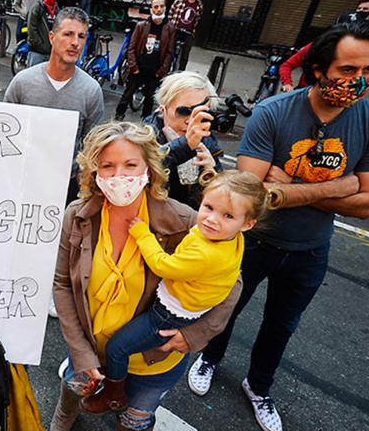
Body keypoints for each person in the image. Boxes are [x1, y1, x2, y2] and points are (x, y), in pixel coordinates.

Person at [187, 22, 369, 431]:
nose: (359, 81)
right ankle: (210, 358)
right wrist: (342, 185)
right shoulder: (274, 113)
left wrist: (287, 189)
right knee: (226, 309)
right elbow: (250, 193)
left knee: (282, 325)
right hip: (254, 241)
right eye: (349, 70)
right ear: (318, 69)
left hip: (310, 249)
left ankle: (259, 386)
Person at [51, 121, 241, 431]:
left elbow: (232, 285)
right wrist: (81, 350)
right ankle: (65, 414)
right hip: (91, 344)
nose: (118, 176)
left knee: (136, 417)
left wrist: (195, 335)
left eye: (130, 165)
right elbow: (61, 285)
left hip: (152, 358)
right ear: (93, 172)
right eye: (107, 166)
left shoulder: (184, 222)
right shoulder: (79, 215)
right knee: (77, 382)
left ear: (149, 169)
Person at [81, 170, 267, 414]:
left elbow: (162, 266)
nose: (212, 219)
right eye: (208, 207)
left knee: (117, 348)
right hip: (186, 306)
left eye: (227, 215)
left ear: (247, 223)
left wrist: (142, 233)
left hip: (168, 315)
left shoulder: (206, 253)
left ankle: (112, 394)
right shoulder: (230, 237)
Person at [6, 6, 104, 205]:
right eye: (68, 34)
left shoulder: (91, 91)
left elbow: (92, 149)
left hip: (66, 189)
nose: (75, 42)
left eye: (81, 36)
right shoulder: (22, 82)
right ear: (52, 37)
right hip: (22, 182)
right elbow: (4, 133)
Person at [145, 71, 223, 209]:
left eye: (199, 113)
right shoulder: (144, 136)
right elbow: (144, 171)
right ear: (163, 108)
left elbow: (220, 203)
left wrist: (212, 174)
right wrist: (185, 145)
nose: (190, 120)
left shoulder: (207, 141)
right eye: (183, 111)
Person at [115, 0, 175, 121]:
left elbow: (170, 52)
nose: (159, 9)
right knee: (128, 93)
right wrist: (133, 67)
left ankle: (146, 121)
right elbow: (131, 48)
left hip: (155, 70)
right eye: (156, 7)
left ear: (165, 8)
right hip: (139, 67)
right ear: (151, 9)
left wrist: (161, 72)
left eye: (161, 6)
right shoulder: (141, 26)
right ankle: (119, 115)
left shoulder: (169, 28)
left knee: (149, 98)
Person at [168, 0, 204, 71]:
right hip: (176, 29)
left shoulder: (199, 5)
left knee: (185, 55)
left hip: (189, 32)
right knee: (169, 52)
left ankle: (181, 73)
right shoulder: (179, 1)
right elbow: (170, 15)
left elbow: (197, 18)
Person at [25, 0, 59, 67]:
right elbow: (31, 29)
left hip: (51, 52)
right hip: (37, 51)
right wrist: (39, 44)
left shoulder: (57, 9)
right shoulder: (37, 8)